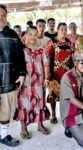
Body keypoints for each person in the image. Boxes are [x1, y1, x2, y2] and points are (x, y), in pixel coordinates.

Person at [14, 26, 50, 139]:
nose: (32, 37)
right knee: (24, 104)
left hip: (39, 82)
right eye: (30, 34)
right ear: (26, 35)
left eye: (35, 35)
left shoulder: (42, 50)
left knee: (40, 102)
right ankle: (23, 128)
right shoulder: (21, 50)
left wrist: (46, 79)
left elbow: (46, 65)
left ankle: (40, 125)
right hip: (25, 82)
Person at [0, 5, 26, 147]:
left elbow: (20, 57)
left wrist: (22, 74)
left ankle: (4, 136)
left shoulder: (12, 34)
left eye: (3, 14)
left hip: (8, 80)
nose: (1, 17)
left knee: (5, 112)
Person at [46, 22, 73, 124]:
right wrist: (47, 72)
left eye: (65, 29)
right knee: (53, 94)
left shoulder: (69, 42)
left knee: (66, 94)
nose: (64, 31)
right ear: (57, 30)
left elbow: (72, 57)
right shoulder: (52, 42)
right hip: (55, 72)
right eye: (62, 29)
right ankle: (53, 114)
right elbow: (48, 58)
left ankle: (65, 114)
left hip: (67, 73)